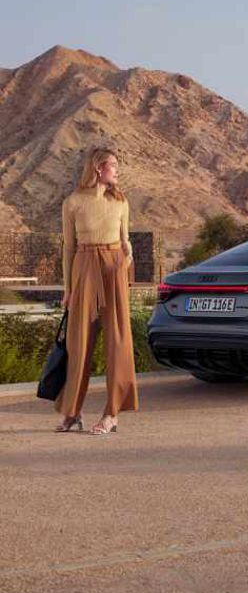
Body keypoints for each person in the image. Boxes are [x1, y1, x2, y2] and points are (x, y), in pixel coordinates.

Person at [55, 147, 139, 434]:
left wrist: (127, 258)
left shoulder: (121, 202)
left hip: (114, 266)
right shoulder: (73, 202)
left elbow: (126, 241)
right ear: (97, 168)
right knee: (78, 342)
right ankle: (72, 413)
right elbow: (68, 248)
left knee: (117, 341)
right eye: (113, 165)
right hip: (84, 266)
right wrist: (67, 289)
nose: (117, 170)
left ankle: (112, 413)